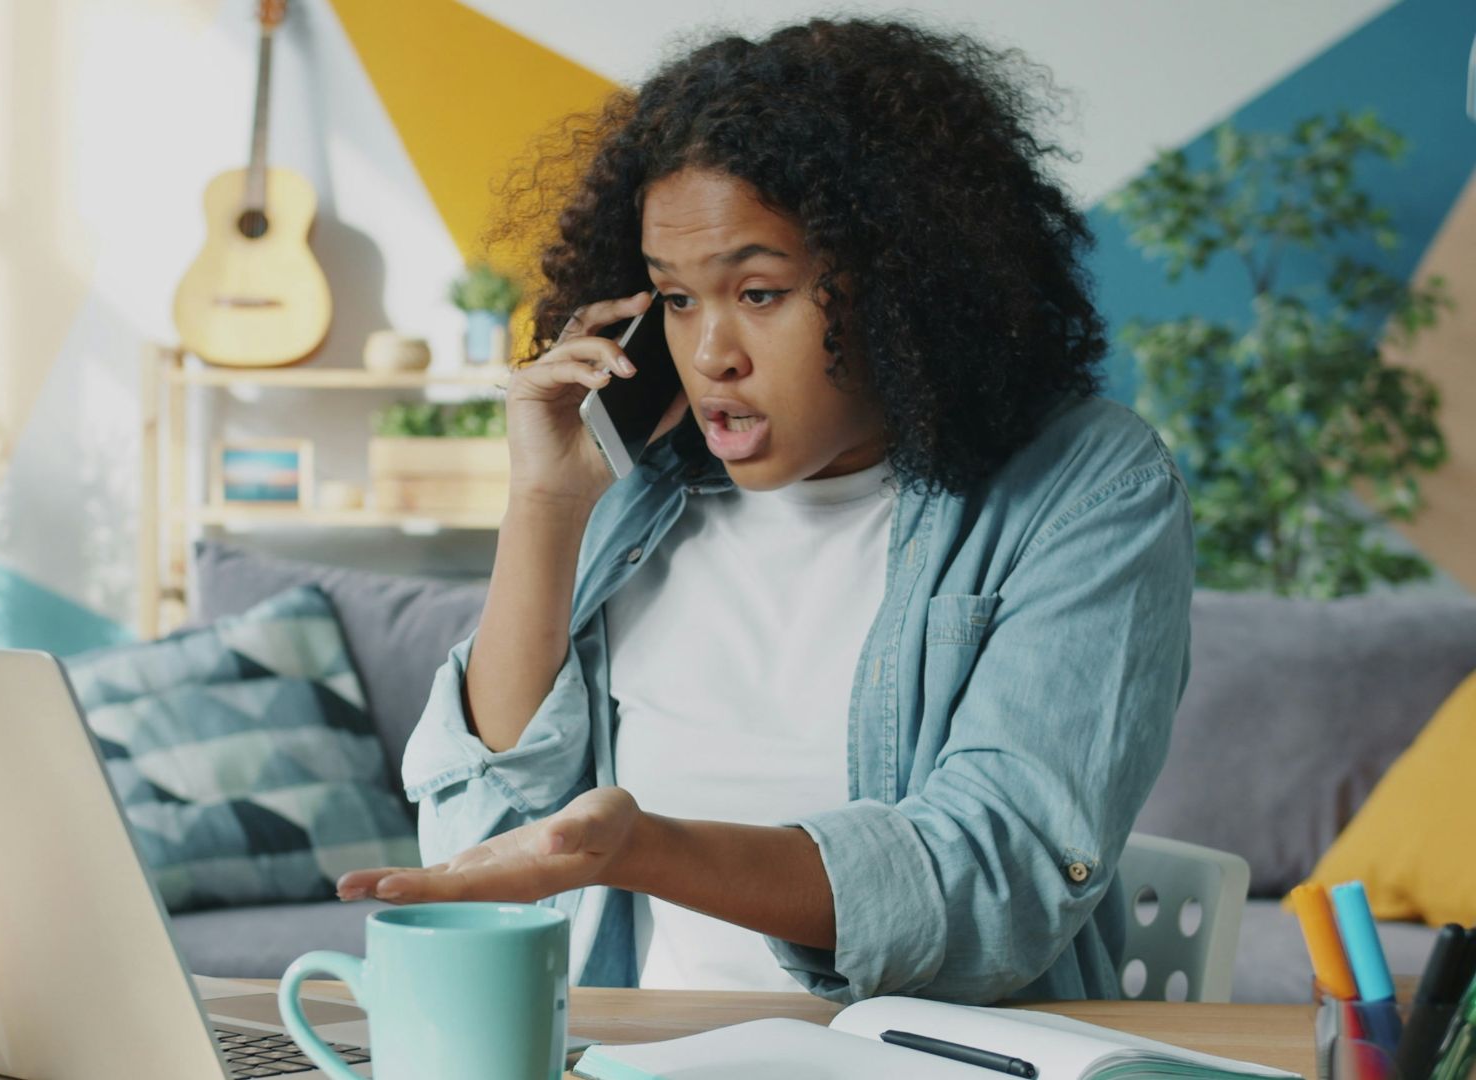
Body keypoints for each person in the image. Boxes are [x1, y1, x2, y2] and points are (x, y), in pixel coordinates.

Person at [336, 17, 1194, 1004]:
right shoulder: (642, 492)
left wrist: (642, 849)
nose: (711, 357)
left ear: (899, 283)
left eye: (759, 291)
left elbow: (997, 887)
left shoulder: (1087, 485)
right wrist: (546, 501)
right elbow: (475, 848)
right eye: (679, 300)